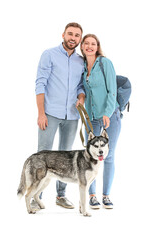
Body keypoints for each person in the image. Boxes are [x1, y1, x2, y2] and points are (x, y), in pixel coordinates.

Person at [35, 23, 85, 209]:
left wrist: (81, 97)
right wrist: (41, 113)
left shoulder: (80, 61)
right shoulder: (49, 54)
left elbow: (80, 86)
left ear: (80, 39)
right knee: (43, 154)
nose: (73, 38)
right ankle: (36, 195)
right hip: (50, 113)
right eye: (70, 34)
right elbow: (40, 84)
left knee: (67, 157)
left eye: (77, 35)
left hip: (72, 116)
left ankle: (61, 196)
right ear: (63, 34)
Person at [80, 34, 121, 209]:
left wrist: (107, 112)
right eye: (86, 43)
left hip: (109, 115)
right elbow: (82, 87)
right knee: (90, 155)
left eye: (93, 44)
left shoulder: (105, 63)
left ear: (97, 47)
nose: (90, 46)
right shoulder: (81, 66)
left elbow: (112, 90)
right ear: (82, 46)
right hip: (91, 117)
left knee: (108, 155)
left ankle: (106, 196)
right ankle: (92, 195)